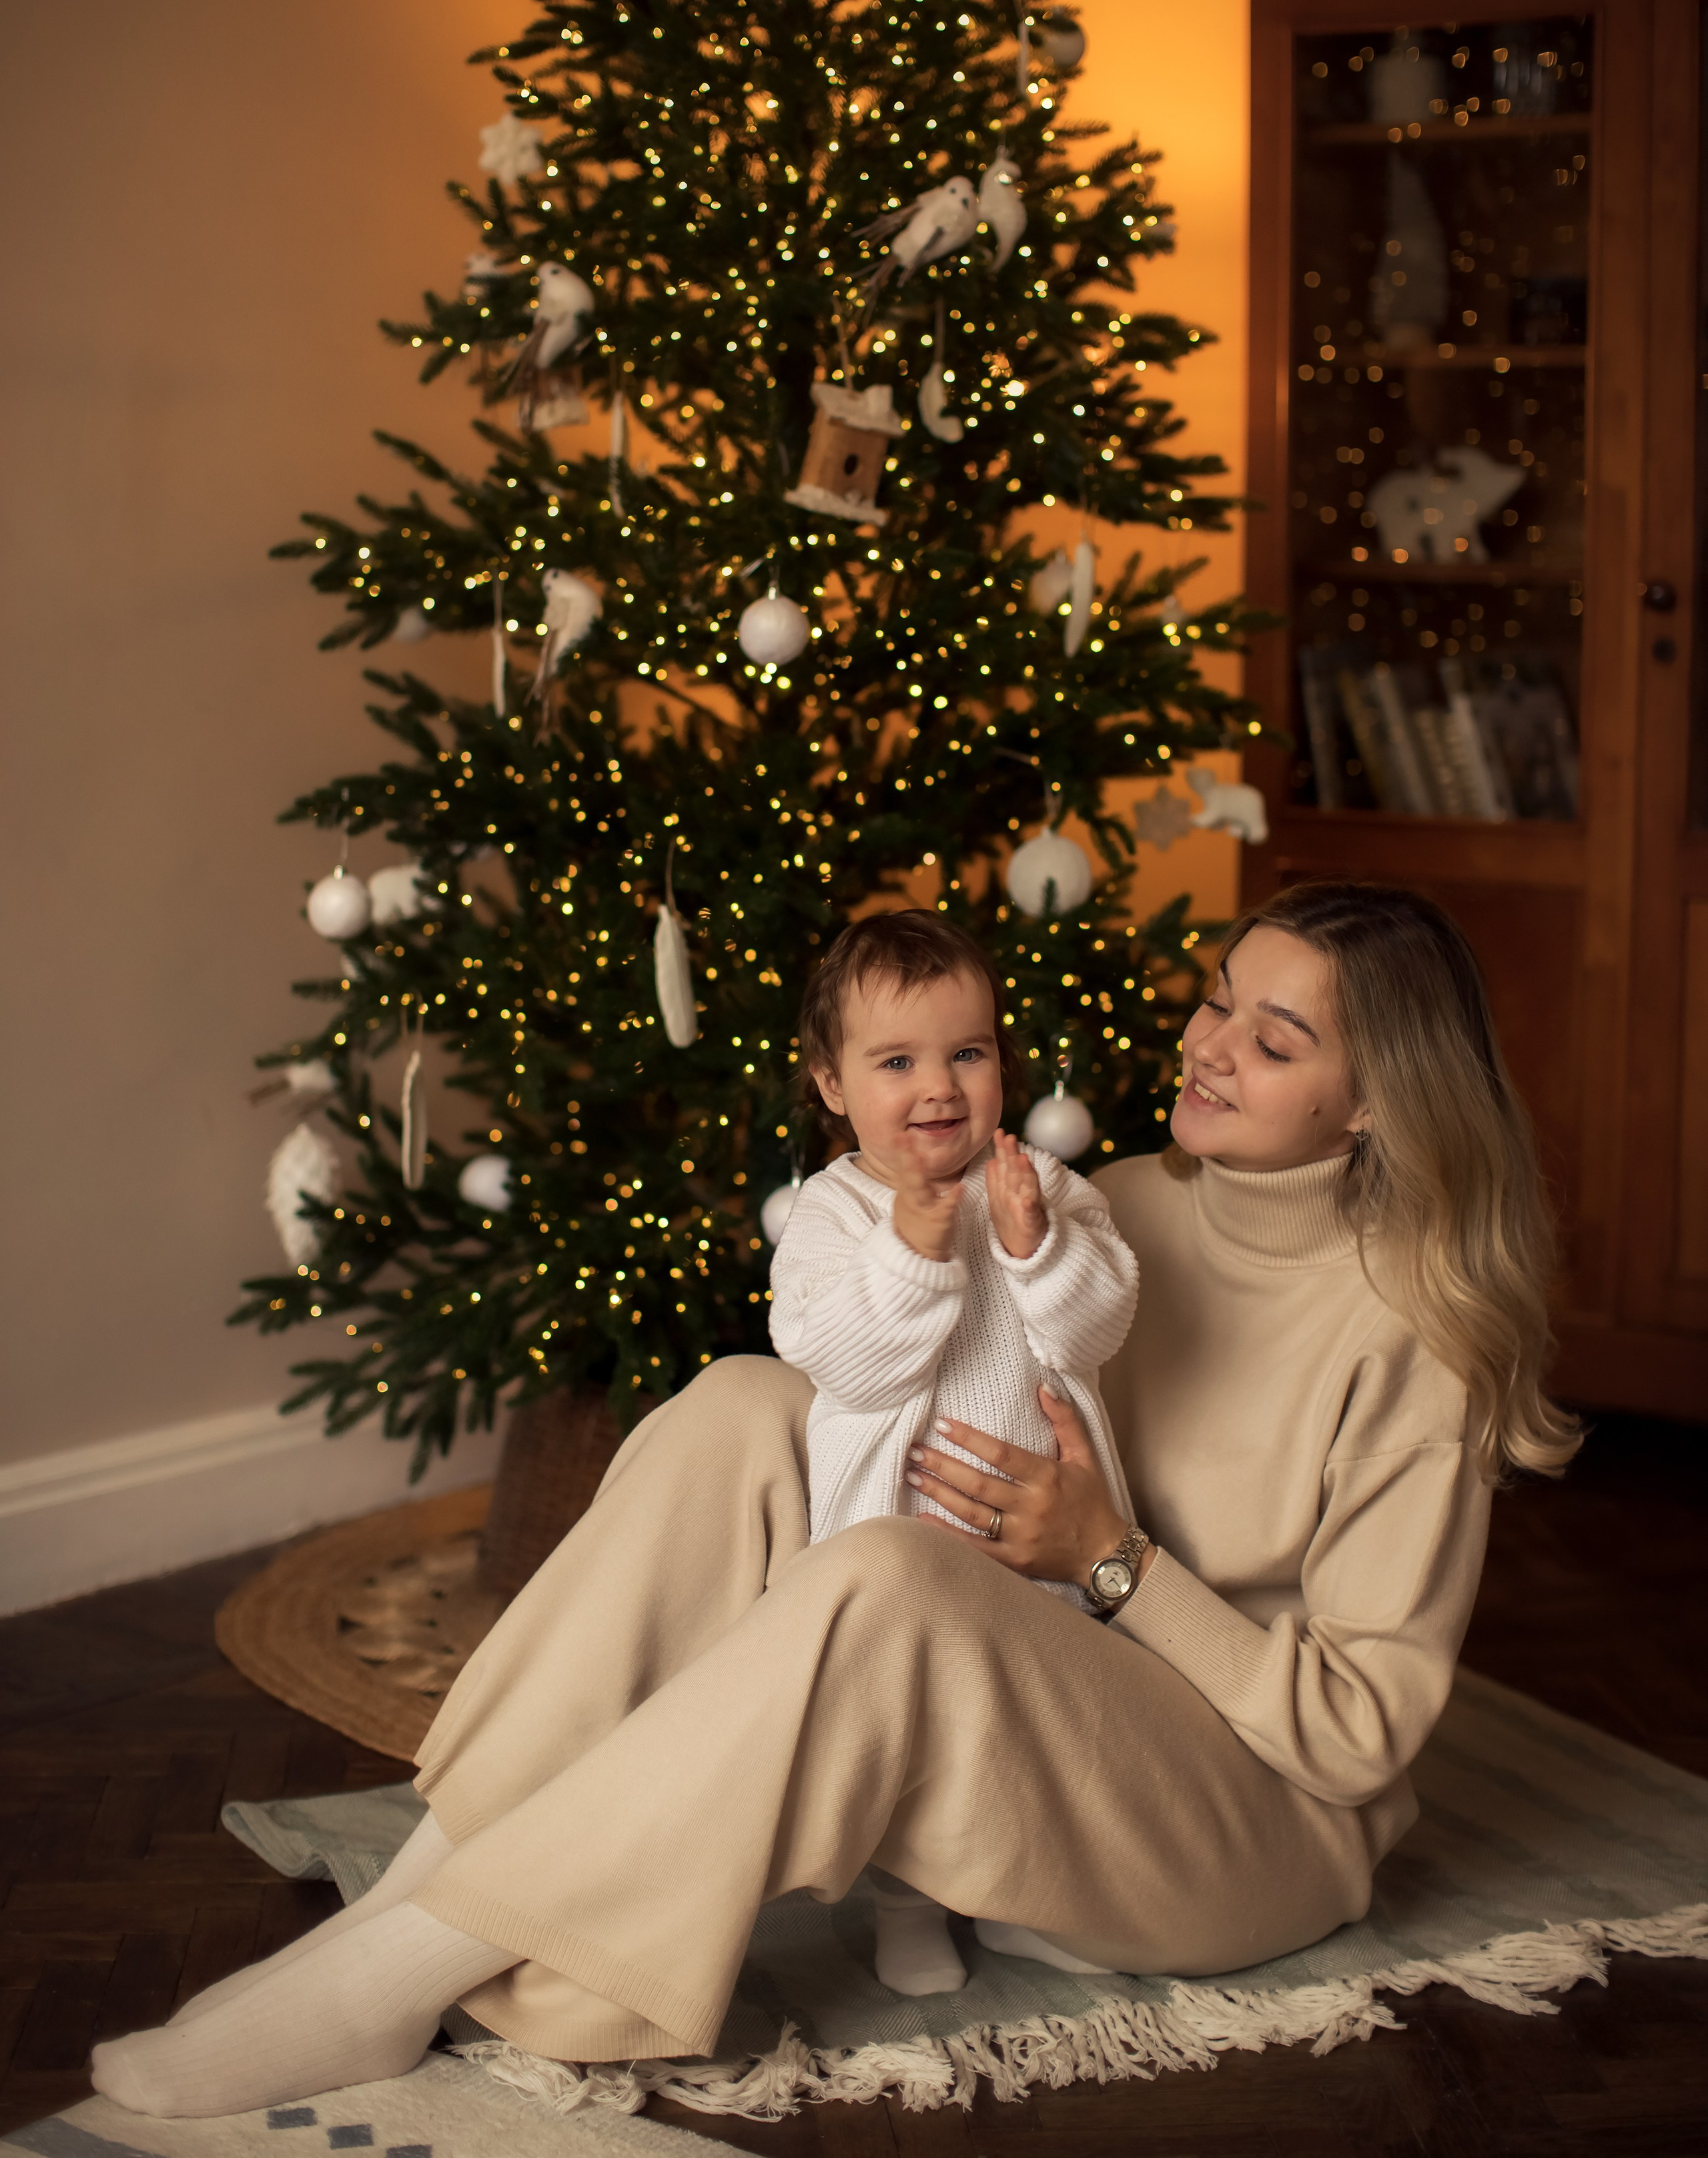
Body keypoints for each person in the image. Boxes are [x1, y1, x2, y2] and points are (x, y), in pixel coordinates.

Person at [92, 879, 1579, 2121]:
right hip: (1054, 1710)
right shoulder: (1110, 1201)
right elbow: (913, 1353)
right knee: (743, 1401)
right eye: (1212, 1004)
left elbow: (1357, 1739)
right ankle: (422, 1891)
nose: (1205, 1048)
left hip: (1242, 1833)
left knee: (887, 1580)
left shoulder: (1415, 1341)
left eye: (1270, 1037)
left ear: (1375, 1099)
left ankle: (393, 1978)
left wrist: (1112, 1563)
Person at [769, 910, 1140, 1992]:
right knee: (910, 1734)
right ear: (833, 1086)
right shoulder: (834, 1216)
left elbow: (1098, 1329)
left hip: (1044, 1536)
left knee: (1029, 1731)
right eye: (897, 1061)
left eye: (966, 1053)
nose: (939, 1086)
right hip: (899, 1533)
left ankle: (1021, 1901)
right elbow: (845, 1360)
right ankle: (907, 1906)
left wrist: (1034, 1251)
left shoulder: (1046, 1191)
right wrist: (913, 1260)